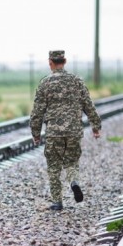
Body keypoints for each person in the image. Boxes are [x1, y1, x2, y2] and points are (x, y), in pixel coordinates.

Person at [30, 50, 102, 211]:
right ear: (65, 61)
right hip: (74, 131)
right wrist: (95, 127)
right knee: (71, 162)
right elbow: (88, 105)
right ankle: (74, 181)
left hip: (54, 132)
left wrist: (35, 133)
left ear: (50, 62)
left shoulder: (45, 83)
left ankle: (57, 201)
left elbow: (37, 112)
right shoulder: (77, 81)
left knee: (54, 166)